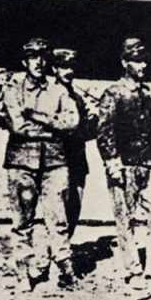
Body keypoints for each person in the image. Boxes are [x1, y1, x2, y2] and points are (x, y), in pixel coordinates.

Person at [0, 38, 80, 290]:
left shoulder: (58, 90)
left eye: (43, 57)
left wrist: (37, 117)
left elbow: (72, 122)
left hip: (55, 163)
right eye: (33, 57)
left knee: (58, 218)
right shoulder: (13, 89)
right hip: (22, 163)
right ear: (25, 61)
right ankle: (24, 271)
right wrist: (53, 128)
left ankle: (65, 271)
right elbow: (17, 126)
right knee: (23, 221)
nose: (39, 62)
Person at [97, 38, 151, 288]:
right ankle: (132, 270)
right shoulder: (113, 94)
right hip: (125, 166)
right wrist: (112, 161)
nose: (141, 66)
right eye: (136, 61)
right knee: (125, 219)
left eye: (143, 61)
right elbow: (105, 132)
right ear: (124, 63)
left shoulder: (150, 93)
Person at [52, 48, 98, 238]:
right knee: (57, 208)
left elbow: (85, 133)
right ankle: (57, 250)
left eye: (71, 67)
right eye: (63, 67)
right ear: (54, 69)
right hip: (56, 159)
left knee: (74, 206)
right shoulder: (49, 95)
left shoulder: (78, 98)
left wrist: (94, 121)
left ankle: (66, 246)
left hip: (77, 159)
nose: (68, 71)